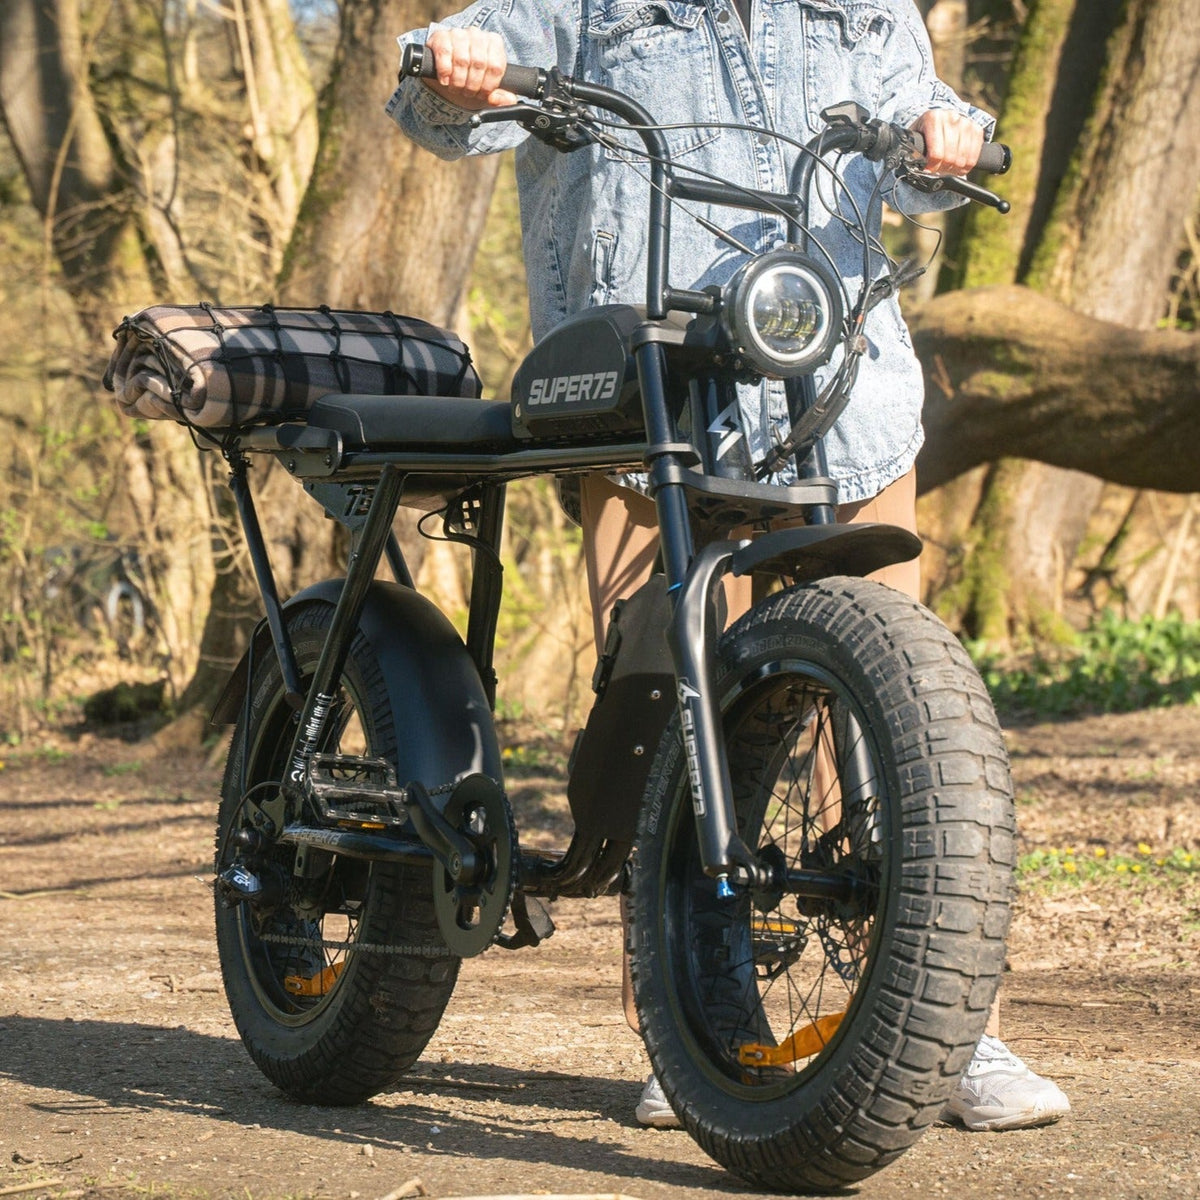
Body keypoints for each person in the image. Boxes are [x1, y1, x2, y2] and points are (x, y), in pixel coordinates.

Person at [386, 0, 1069, 1134]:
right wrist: (455, 68)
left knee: (898, 723)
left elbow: (922, 135)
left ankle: (945, 1027)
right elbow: (436, 102)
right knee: (671, 716)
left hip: (840, 387)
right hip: (648, 401)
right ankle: (698, 1020)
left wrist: (951, 135)